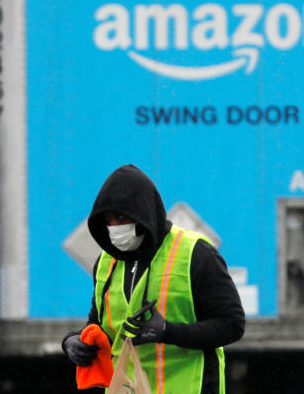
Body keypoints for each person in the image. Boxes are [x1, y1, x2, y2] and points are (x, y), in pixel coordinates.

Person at [62, 164, 245, 394]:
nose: (114, 228)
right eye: (107, 220)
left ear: (143, 212)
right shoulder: (106, 263)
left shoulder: (196, 254)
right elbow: (99, 325)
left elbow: (232, 325)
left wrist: (168, 332)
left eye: (120, 217)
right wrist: (74, 342)